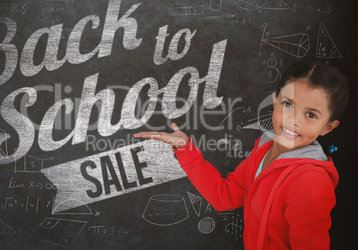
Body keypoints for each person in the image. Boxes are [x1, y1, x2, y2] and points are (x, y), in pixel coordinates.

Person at [133, 60, 349, 249]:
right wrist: (186, 148)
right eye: (287, 104)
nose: (294, 120)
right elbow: (223, 196)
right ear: (274, 102)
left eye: (311, 114)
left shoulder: (310, 181)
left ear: (327, 127)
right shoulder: (264, 148)